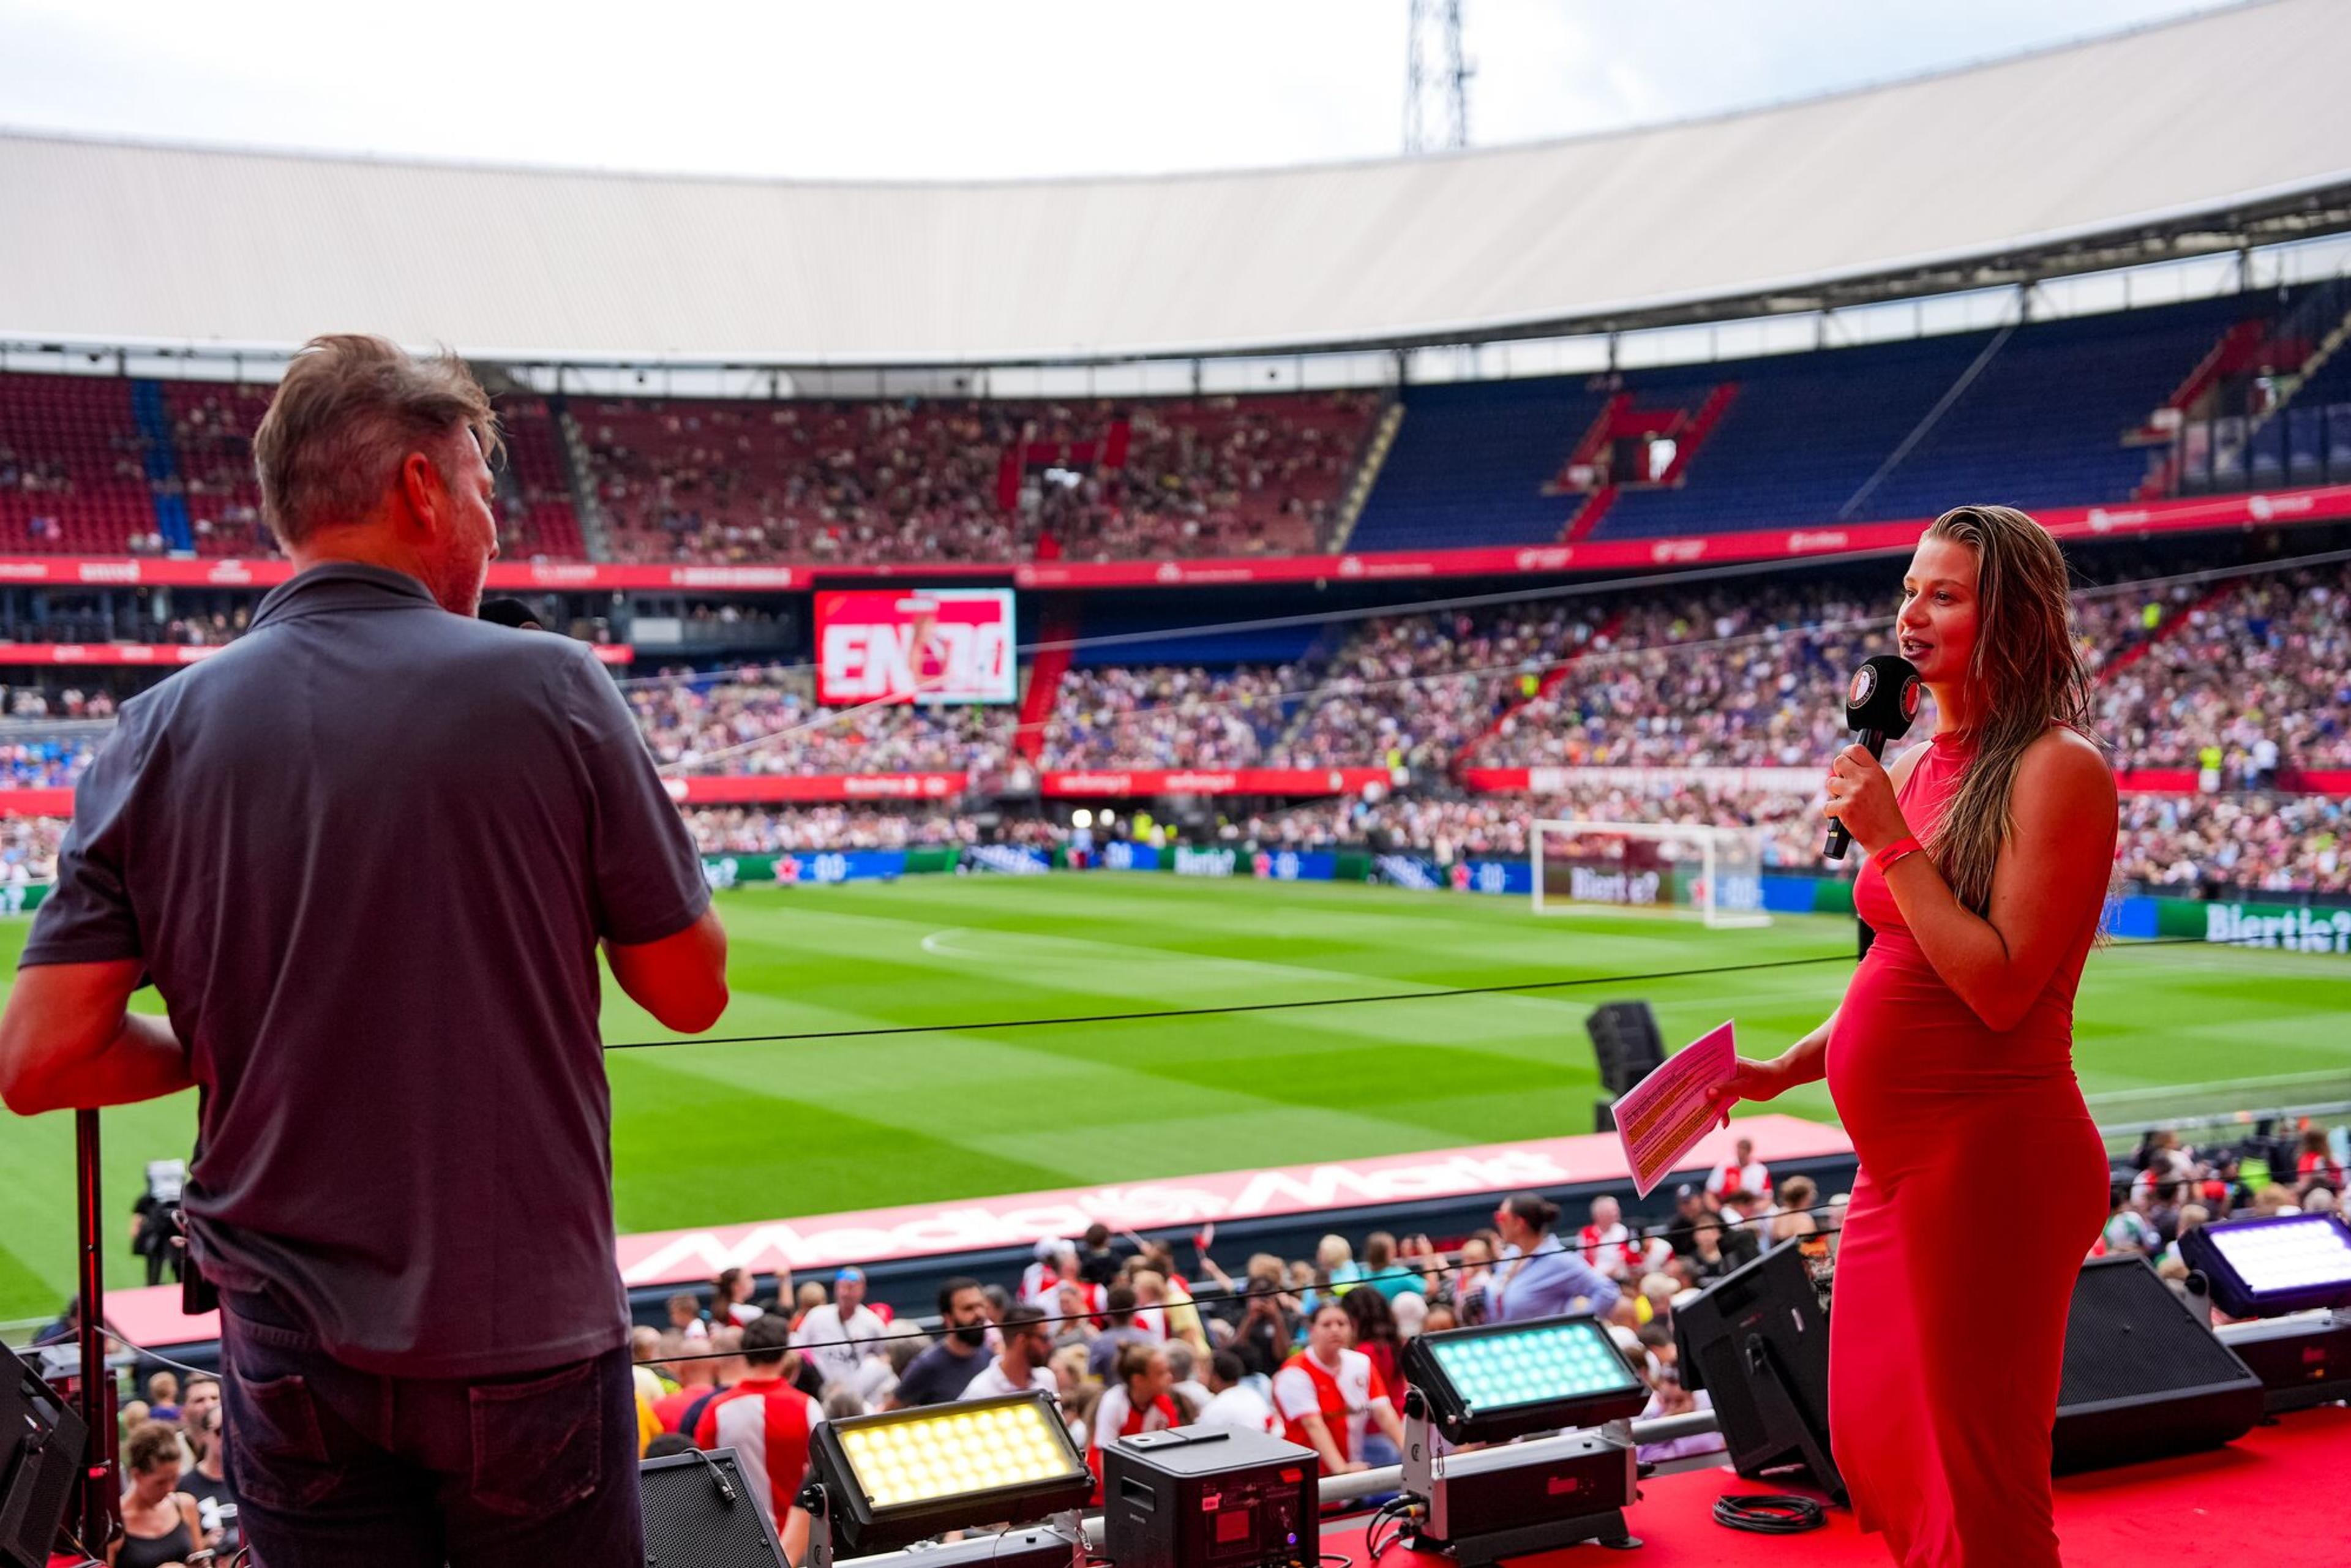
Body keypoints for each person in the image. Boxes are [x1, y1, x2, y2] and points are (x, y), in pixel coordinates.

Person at [0, 337, 728, 1568]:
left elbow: (38, 1055)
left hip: (286, 1345)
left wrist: (217, 1042)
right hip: (525, 1329)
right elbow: (690, 989)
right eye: (486, 491)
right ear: (421, 486)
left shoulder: (152, 729)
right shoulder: (553, 684)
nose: (493, 528)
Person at [1714, 506, 2116, 1567]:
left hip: (1992, 1162)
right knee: (1884, 1445)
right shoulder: (1927, 757)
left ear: (2012, 621)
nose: (1911, 612)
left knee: (1974, 1478)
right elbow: (1905, 971)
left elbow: (1995, 989)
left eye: (1945, 594)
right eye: (1909, 589)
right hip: (1903, 1171)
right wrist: (1782, 1070)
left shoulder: (2057, 768)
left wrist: (1890, 839)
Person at [692, 1315, 819, 1562]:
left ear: (745, 1353)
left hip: (739, 1544)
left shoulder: (717, 1410)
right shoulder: (807, 1406)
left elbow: (702, 1477)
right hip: (801, 1542)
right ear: (785, 1355)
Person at [1272, 1302, 1405, 1476]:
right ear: (1312, 1331)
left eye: (1342, 1324)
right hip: (1309, 1476)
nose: (1335, 1330)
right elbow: (1313, 1425)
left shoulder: (1361, 1363)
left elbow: (1384, 1412)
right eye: (1326, 1325)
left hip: (1352, 1470)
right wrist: (1341, 1469)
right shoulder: (1295, 1372)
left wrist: (1411, 1455)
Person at [1486, 1193, 1621, 1322]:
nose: (1497, 1223)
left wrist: (1582, 1326)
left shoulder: (1559, 1260)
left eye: (1501, 1217)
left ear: (1519, 1223)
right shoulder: (1512, 1254)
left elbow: (1607, 1291)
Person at [885, 1277, 993, 1408]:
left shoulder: (990, 1356)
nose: (979, 1314)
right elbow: (890, 1412)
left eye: (981, 1306)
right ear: (948, 1319)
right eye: (968, 1308)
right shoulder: (927, 1366)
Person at [1088, 1345, 1182, 1491]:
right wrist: (1113, 1495)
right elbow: (1105, 1456)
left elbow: (1176, 1448)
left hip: (1142, 1478)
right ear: (1138, 1380)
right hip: (1108, 1482)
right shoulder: (1114, 1403)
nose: (1169, 1377)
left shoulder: (1164, 1403)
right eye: (1160, 1373)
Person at [112, 1420, 202, 1568]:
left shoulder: (185, 1506)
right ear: (137, 1475)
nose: (170, 1488)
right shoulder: (115, 1524)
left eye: (175, 1479)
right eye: (160, 1483)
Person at [794, 1267, 887, 1392]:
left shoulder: (872, 1322)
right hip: (819, 1389)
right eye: (842, 1287)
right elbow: (798, 1350)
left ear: (862, 1290)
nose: (845, 1293)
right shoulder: (817, 1316)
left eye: (851, 1288)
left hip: (856, 1393)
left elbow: (885, 1357)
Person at [181, 1400, 242, 1558]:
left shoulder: (250, 1481)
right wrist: (203, 1543)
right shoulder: (184, 1486)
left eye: (235, 1431)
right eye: (220, 1431)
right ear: (205, 1435)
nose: (228, 1438)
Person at [963, 1304, 1059, 1399]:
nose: (1050, 1345)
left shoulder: (1046, 1378)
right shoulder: (979, 1392)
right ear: (1022, 1340)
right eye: (1044, 1338)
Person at [1196, 1349, 1280, 1436]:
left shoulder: (1217, 1407)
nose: (1201, 1376)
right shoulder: (1253, 1395)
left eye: (1205, 1372)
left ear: (1215, 1378)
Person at [1086, 1286, 1157, 1378]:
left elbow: (1093, 1378)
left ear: (1108, 1310)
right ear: (1134, 1310)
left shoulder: (1099, 1343)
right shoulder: (1148, 1339)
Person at [1706, 1136, 1772, 1199]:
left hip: (1754, 1206)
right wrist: (1718, 1210)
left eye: (1745, 1149)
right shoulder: (1725, 1166)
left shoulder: (1760, 1170)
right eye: (1740, 1148)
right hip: (1729, 1205)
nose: (1742, 1152)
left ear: (1750, 1151)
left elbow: (1768, 1196)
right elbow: (1710, 1193)